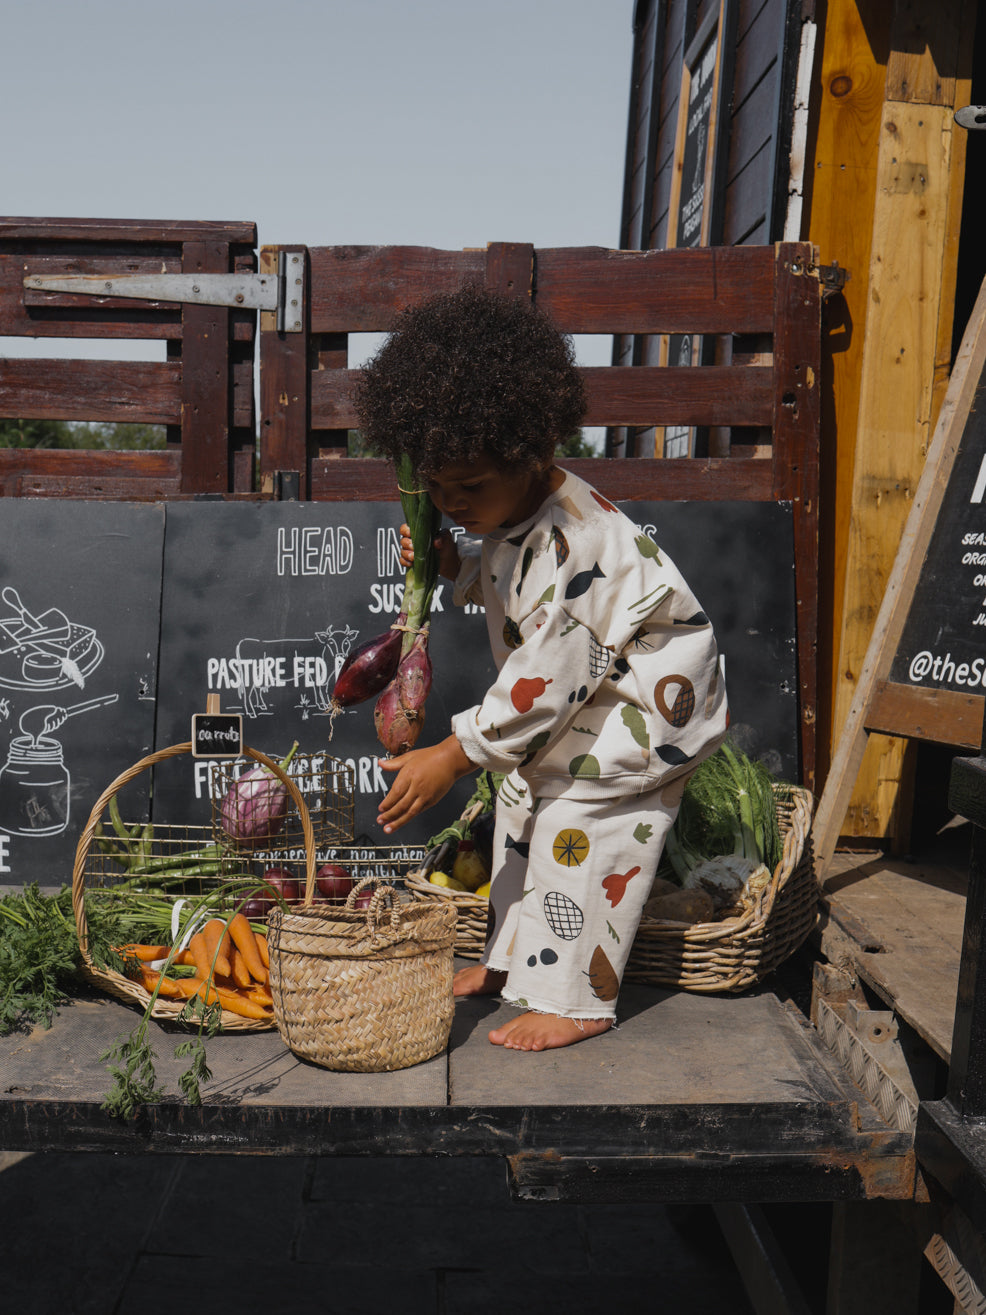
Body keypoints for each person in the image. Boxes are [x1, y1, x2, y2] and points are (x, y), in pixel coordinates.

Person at [354, 284, 728, 1052]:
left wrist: (456, 754)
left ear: (533, 450)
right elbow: (509, 586)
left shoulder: (577, 542)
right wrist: (455, 563)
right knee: (520, 804)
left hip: (642, 712)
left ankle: (580, 998)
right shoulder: (516, 510)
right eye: (439, 489)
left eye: (470, 489)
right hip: (589, 698)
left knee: (574, 827)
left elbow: (550, 671)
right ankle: (510, 959)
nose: (454, 502)